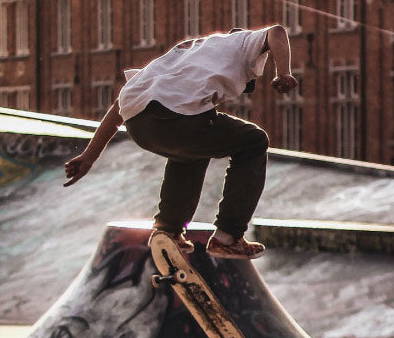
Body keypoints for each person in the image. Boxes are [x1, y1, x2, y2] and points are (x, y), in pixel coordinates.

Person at [63, 25, 299, 259]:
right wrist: (283, 72)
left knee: (192, 149)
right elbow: (277, 32)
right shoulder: (241, 43)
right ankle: (228, 237)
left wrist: (89, 157)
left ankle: (168, 230)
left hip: (140, 126)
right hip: (176, 119)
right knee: (254, 141)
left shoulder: (186, 54)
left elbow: (119, 107)